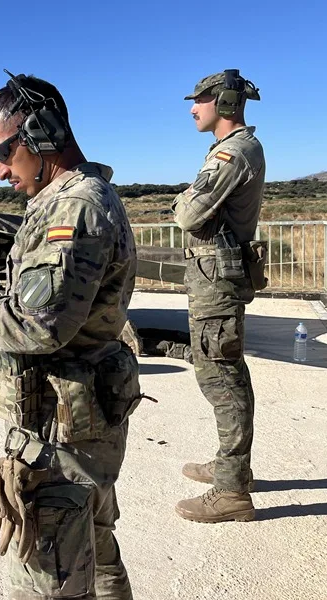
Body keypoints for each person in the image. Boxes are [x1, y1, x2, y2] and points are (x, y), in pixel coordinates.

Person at [0, 72, 138, 599]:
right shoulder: (76, 196)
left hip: (62, 437)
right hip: (82, 423)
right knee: (97, 554)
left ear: (42, 132)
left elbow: (41, 325)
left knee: (48, 582)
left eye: (3, 151)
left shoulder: (74, 206)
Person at [172, 70, 264, 523]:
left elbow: (188, 213)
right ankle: (231, 468)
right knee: (220, 375)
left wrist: (183, 198)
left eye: (201, 100)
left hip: (217, 285)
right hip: (213, 279)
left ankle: (232, 491)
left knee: (223, 380)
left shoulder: (233, 153)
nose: (193, 108)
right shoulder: (232, 151)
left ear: (225, 103)